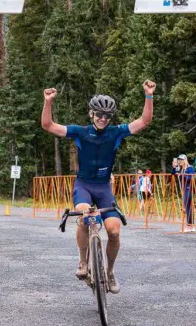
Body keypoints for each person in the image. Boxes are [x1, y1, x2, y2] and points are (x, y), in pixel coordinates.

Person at [41, 80, 156, 294]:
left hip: (104, 188)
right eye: (99, 114)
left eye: (107, 116)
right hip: (84, 185)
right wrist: (48, 102)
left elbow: (144, 121)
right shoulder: (80, 132)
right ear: (91, 114)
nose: (103, 119)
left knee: (114, 231)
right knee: (85, 217)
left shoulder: (116, 133)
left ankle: (110, 272)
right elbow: (48, 126)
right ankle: (83, 262)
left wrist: (148, 96)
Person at [171, 154, 196, 232]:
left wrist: (182, 175)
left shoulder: (190, 168)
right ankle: (190, 225)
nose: (180, 161)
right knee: (188, 207)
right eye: (179, 160)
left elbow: (191, 177)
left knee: (186, 207)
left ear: (185, 160)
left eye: (181, 160)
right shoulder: (181, 168)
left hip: (189, 188)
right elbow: (173, 173)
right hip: (184, 189)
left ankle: (189, 225)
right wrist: (174, 167)